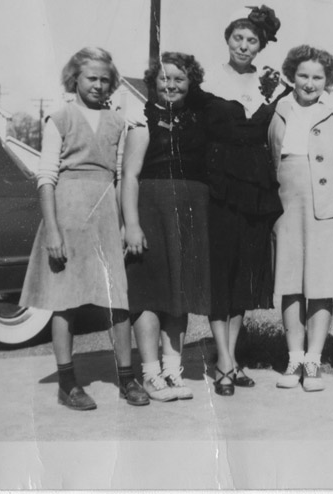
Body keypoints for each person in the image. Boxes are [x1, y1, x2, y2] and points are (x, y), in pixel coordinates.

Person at [20, 47, 150, 410]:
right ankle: (67, 384)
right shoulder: (59, 118)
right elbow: (46, 178)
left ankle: (127, 379)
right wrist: (53, 231)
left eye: (105, 80)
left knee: (118, 299)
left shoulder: (119, 122)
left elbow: (124, 175)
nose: (98, 85)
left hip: (106, 216)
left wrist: (127, 224)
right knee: (66, 303)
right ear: (74, 78)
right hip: (68, 217)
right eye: (91, 78)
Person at [203, 5, 291, 396]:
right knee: (220, 273)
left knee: (243, 275)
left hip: (255, 186)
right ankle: (223, 361)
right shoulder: (207, 80)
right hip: (218, 184)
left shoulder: (270, 84)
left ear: (260, 46)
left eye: (251, 40)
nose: (244, 45)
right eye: (238, 38)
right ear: (228, 40)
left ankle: (231, 358)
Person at [122, 52, 211, 402]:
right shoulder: (143, 119)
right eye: (164, 78)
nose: (171, 84)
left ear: (191, 83)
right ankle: (150, 374)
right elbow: (129, 175)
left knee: (180, 293)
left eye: (179, 79)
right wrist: (132, 224)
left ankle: (173, 370)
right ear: (153, 83)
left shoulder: (197, 120)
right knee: (149, 293)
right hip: (151, 212)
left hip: (189, 214)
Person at [268, 45, 333, 392]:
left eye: (318, 76)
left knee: (320, 283)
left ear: (327, 80)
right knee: (289, 284)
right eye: (303, 75)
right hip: (286, 202)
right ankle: (295, 357)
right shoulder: (279, 107)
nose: (310, 82)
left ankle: (314, 361)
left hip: (324, 205)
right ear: (292, 75)